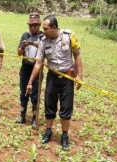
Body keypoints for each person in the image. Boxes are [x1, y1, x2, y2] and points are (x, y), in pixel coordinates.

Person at [26, 15, 83, 150]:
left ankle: (64, 136)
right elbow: (39, 63)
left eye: (45, 29)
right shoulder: (44, 41)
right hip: (52, 78)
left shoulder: (69, 36)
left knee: (66, 109)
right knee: (49, 106)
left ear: (54, 28)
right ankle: (48, 131)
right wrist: (30, 82)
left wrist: (80, 76)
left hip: (67, 78)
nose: (43, 31)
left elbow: (77, 56)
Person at [16, 12, 44, 129]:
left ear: (39, 25)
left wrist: (39, 46)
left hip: (37, 68)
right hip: (26, 67)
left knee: (35, 95)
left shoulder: (43, 37)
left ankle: (34, 118)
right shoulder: (25, 35)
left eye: (35, 25)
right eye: (31, 26)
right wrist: (23, 46)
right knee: (23, 92)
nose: (32, 28)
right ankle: (22, 115)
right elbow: (18, 53)